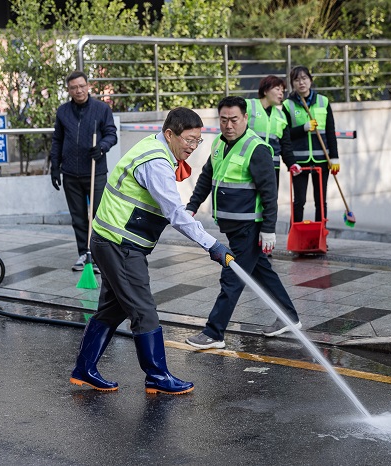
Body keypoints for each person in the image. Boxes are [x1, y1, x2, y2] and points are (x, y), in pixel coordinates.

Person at [69, 107, 234, 395]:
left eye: (198, 141)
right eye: (189, 140)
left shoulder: (155, 145)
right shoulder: (156, 162)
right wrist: (213, 245)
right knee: (144, 310)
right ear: (170, 134)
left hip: (112, 240)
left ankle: (84, 369)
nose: (193, 147)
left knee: (112, 308)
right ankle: (156, 376)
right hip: (119, 244)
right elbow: (176, 214)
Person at [184, 96, 302, 350]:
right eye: (224, 120)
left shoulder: (256, 148)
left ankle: (214, 332)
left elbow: (269, 192)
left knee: (232, 277)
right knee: (262, 272)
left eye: (234, 120)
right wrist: (192, 206)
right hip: (234, 226)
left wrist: (269, 229)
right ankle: (290, 317)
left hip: (250, 227)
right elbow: (207, 177)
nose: (228, 125)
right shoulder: (218, 144)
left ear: (246, 119)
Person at [50, 70, 118, 272]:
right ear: (69, 90)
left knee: (98, 215)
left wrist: (102, 147)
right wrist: (55, 167)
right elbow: (57, 140)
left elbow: (111, 134)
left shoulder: (101, 109)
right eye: (73, 87)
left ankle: (98, 256)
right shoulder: (63, 112)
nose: (78, 90)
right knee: (78, 217)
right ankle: (83, 254)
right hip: (71, 173)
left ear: (88, 86)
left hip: (95, 172)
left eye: (81, 86)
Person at [283, 65, 340, 223]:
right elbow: (285, 134)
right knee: (299, 201)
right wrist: (304, 128)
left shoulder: (323, 101)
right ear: (292, 83)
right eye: (296, 79)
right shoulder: (288, 105)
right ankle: (296, 235)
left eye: (304, 78)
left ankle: (321, 236)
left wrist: (334, 158)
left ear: (310, 80)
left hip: (322, 159)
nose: (301, 82)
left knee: (321, 201)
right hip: (299, 161)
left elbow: (330, 131)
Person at [246, 75, 296, 188]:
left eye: (282, 91)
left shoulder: (281, 115)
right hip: (249, 164)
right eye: (277, 89)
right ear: (265, 91)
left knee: (270, 203)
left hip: (272, 167)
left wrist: (292, 163)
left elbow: (285, 144)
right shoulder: (248, 106)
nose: (281, 94)